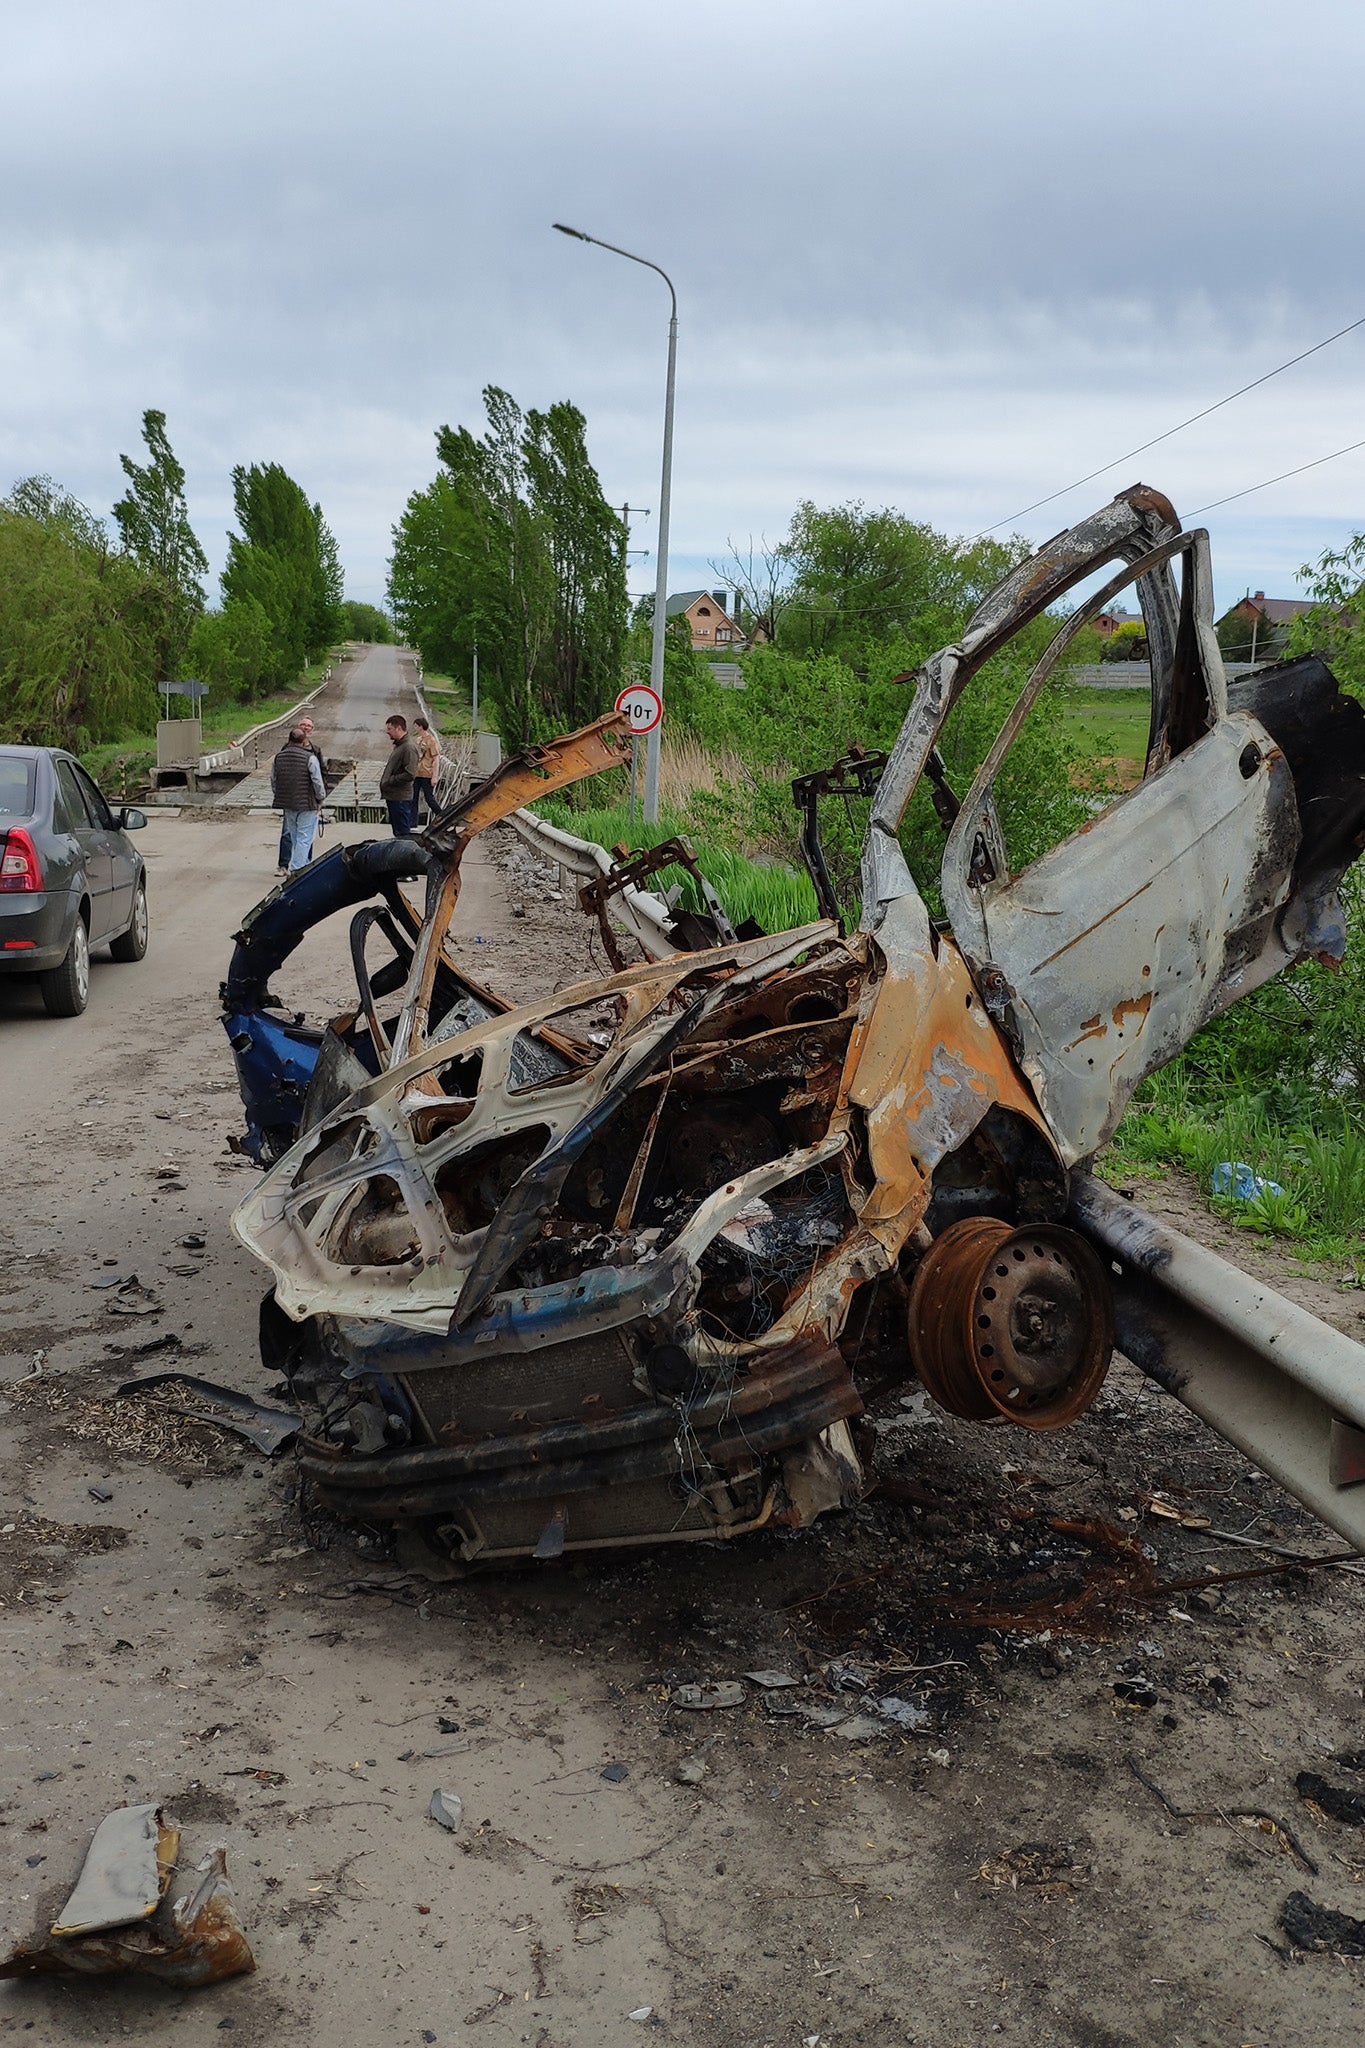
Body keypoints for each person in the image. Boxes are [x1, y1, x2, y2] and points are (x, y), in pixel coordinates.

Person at [270, 726, 325, 875]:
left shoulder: (278, 757)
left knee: (294, 837)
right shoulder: (310, 758)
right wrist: (320, 798)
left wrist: (280, 795)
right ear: (303, 741)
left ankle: (304, 866)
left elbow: (274, 780)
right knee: (305, 838)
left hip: (287, 804)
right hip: (307, 804)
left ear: (289, 740)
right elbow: (317, 781)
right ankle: (297, 870)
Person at [379, 713, 422, 836]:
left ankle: (405, 855)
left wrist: (390, 780)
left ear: (399, 728)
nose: (387, 732)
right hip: (394, 797)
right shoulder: (399, 746)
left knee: (403, 835)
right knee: (398, 833)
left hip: (400, 799)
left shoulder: (408, 748)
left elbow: (410, 774)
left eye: (389, 729)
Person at [411, 715, 441, 822]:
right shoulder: (418, 739)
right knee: (413, 798)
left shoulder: (431, 741)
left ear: (420, 726)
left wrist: (435, 776)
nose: (414, 728)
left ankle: (442, 816)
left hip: (427, 773)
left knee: (429, 798)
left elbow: (436, 758)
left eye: (416, 726)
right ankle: (412, 822)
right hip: (417, 773)